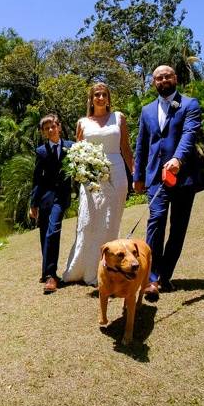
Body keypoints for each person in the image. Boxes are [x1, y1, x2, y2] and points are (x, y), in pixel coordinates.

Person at [133, 65, 202, 301]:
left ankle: (164, 276)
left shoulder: (190, 105)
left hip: (183, 178)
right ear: (153, 82)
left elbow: (189, 135)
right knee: (155, 222)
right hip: (155, 179)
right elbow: (141, 145)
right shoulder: (146, 111)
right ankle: (150, 280)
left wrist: (177, 159)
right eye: (158, 77)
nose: (163, 80)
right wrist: (138, 176)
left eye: (167, 76)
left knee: (178, 228)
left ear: (176, 78)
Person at [63, 82, 134, 286]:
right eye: (97, 95)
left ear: (108, 98)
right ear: (91, 99)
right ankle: (83, 268)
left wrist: (135, 175)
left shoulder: (118, 118)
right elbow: (77, 151)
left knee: (111, 221)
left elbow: (126, 149)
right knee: (89, 221)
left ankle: (109, 269)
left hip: (117, 171)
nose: (100, 98)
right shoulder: (82, 122)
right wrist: (81, 173)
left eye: (104, 95)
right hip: (92, 177)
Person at [30, 114, 74, 294]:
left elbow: (78, 170)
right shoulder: (41, 151)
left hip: (61, 198)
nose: (50, 130)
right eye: (46, 128)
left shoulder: (72, 147)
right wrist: (33, 203)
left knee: (53, 229)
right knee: (44, 233)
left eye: (53, 126)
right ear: (43, 132)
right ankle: (45, 271)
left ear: (59, 127)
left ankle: (51, 276)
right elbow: (36, 180)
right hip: (45, 198)